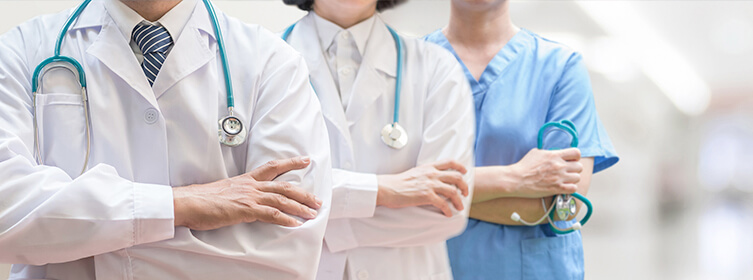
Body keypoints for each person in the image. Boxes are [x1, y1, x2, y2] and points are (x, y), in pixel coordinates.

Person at [0, 0, 333, 279]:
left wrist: (82, 239)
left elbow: (286, 253)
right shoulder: (19, 51)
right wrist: (179, 205)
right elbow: (6, 213)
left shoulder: (273, 63)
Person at [281, 0, 476, 279]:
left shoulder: (437, 69)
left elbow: (448, 209)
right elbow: (264, 193)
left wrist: (320, 222)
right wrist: (382, 190)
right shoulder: (266, 64)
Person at [425, 0, 620, 278]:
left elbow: (565, 207)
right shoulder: (409, 65)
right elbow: (392, 185)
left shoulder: (560, 67)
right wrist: (518, 178)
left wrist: (432, 196)